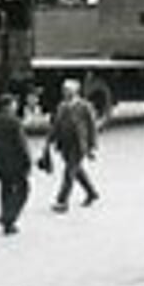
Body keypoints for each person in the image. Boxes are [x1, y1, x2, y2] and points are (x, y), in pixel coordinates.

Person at [45, 79, 99, 212]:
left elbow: (92, 127)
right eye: (64, 90)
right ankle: (91, 193)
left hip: (79, 145)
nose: (65, 92)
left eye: (68, 90)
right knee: (77, 171)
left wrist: (92, 147)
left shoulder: (85, 106)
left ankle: (62, 202)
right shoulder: (62, 106)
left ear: (75, 91)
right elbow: (56, 125)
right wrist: (49, 141)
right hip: (65, 144)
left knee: (69, 173)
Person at [0, 94, 32, 235]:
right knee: (23, 190)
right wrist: (27, 162)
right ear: (10, 105)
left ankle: (7, 222)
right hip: (15, 162)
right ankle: (9, 217)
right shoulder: (15, 122)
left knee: (6, 189)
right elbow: (22, 144)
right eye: (14, 104)